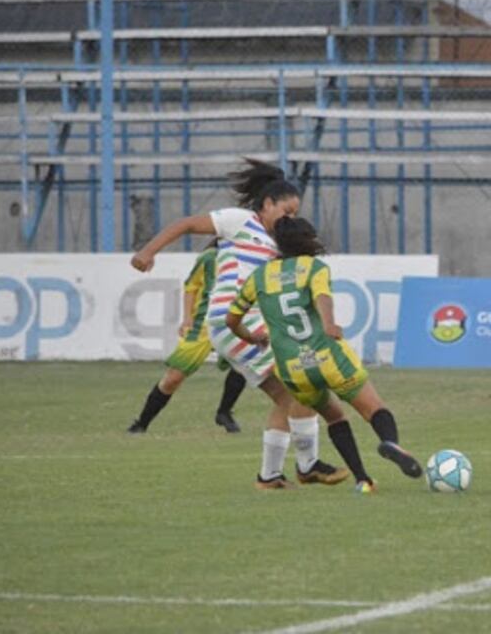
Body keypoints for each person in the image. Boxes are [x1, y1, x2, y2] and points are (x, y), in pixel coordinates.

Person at [131, 159, 349, 490]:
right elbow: (188, 224)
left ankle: (270, 476)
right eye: (285, 211)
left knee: (288, 398)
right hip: (230, 322)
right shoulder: (241, 222)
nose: (289, 219)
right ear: (266, 204)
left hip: (245, 329)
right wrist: (148, 251)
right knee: (305, 386)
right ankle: (308, 465)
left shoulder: (279, 243)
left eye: (294, 214)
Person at [225, 216, 423, 494]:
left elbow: (231, 320)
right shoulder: (313, 267)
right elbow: (322, 297)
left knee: (334, 417)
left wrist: (252, 337)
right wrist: (329, 323)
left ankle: (362, 479)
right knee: (373, 407)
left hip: (293, 369)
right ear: (308, 240)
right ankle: (391, 443)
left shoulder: (258, 277)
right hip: (327, 357)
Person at [128, 239, 246, 434]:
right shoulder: (209, 258)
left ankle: (224, 412)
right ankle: (142, 423)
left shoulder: (252, 258)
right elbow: (191, 287)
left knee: (244, 364)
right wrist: (187, 319)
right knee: (174, 378)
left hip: (234, 322)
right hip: (204, 325)